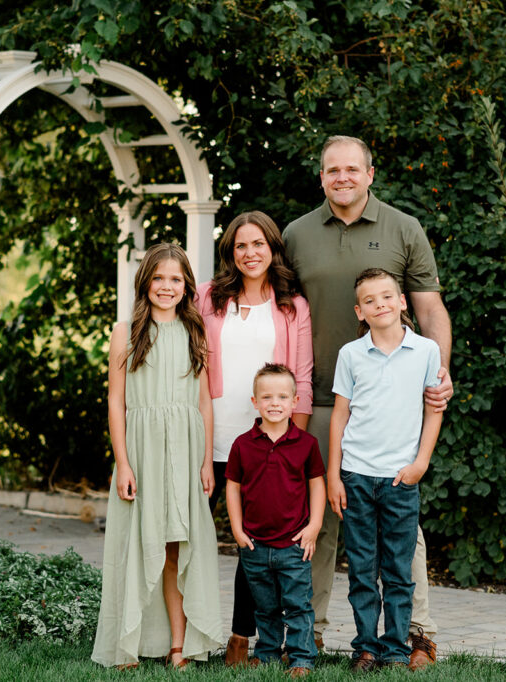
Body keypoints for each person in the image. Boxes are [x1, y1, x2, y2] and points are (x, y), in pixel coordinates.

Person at [282, 135, 453, 669]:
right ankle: (309, 633)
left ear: (370, 174)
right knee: (317, 516)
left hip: (391, 400)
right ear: (321, 177)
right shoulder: (296, 234)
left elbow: (430, 309)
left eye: (352, 169)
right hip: (315, 400)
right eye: (332, 170)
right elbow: (277, 310)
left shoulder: (404, 228)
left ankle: (417, 634)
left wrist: (439, 374)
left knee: (401, 524)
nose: (343, 177)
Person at [91, 243, 223, 669]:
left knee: (177, 547)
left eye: (176, 279)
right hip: (142, 450)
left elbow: (204, 402)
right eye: (159, 278)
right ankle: (127, 643)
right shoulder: (125, 332)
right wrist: (124, 463)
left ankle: (178, 647)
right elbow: (116, 402)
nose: (167, 286)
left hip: (186, 450)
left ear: (187, 286)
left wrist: (206, 462)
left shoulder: (196, 332)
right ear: (145, 282)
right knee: (136, 544)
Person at [196, 210, 313, 665]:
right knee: (187, 536)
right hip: (209, 436)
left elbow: (302, 379)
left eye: (258, 244)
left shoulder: (292, 306)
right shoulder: (208, 297)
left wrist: (292, 446)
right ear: (230, 251)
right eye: (240, 245)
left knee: (254, 544)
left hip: (265, 445)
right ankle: (179, 635)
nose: (250, 253)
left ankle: (240, 639)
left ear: (273, 248)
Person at [328, 268, 443, 670]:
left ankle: (394, 648)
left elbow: (434, 410)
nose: (380, 304)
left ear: (402, 301)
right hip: (356, 476)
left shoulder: (426, 351)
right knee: (361, 570)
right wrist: (334, 475)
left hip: (400, 478)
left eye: (387, 296)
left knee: (398, 570)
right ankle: (365, 647)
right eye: (370, 300)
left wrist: (420, 463)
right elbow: (340, 416)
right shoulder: (350, 354)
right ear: (359, 311)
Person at [225, 363, 325, 677]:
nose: (275, 403)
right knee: (264, 607)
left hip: (294, 544)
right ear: (255, 402)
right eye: (267, 397)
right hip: (255, 544)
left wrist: (314, 526)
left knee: (297, 605)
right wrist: (237, 529)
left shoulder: (306, 444)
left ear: (295, 402)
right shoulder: (243, 444)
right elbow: (233, 487)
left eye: (282, 397)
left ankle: (301, 659)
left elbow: (317, 485)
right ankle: (267, 654)